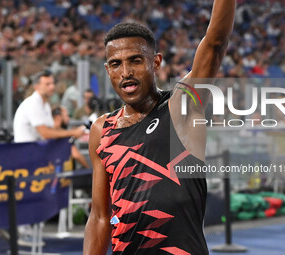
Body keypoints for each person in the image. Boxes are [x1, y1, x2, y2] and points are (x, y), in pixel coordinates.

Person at [84, 1, 235, 254]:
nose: (126, 72)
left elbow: (215, 43)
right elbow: (100, 217)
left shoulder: (180, 107)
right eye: (115, 64)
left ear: (155, 63)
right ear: (107, 70)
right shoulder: (102, 130)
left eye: (135, 60)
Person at [13, 70, 85, 142]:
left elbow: (51, 129)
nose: (52, 87)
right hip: (27, 149)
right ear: (36, 87)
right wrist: (73, 132)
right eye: (47, 84)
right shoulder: (33, 103)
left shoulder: (45, 104)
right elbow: (45, 133)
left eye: (53, 83)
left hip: (38, 148)